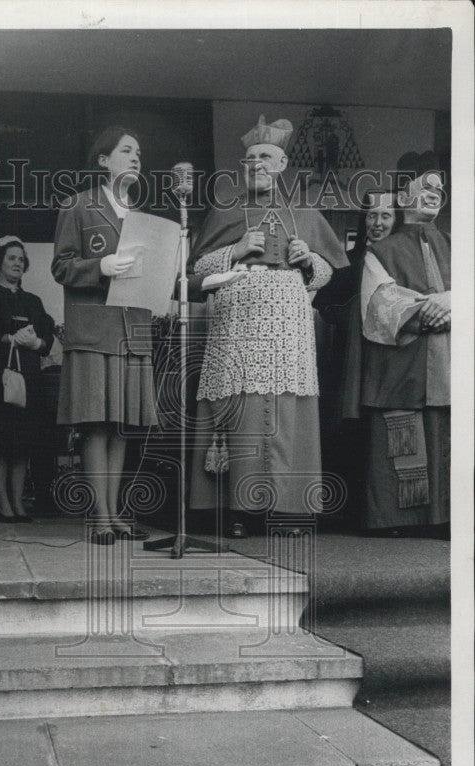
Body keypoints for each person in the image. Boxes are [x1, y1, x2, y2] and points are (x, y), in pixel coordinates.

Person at [188, 115, 348, 538]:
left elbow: (329, 274)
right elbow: (196, 271)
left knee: (286, 408)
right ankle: (239, 510)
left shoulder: (305, 213)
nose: (255, 164)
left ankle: (288, 511)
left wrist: (308, 259)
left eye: (265, 157)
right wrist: (236, 250)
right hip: (237, 316)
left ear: (280, 166)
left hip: (288, 320)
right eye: (249, 158)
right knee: (241, 406)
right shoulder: (225, 211)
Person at [51, 127, 157, 545]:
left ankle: (114, 515)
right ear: (103, 161)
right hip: (95, 328)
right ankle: (100, 516)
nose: (135, 157)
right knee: (96, 423)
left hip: (131, 327)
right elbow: (61, 267)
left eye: (138, 152)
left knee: (120, 425)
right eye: (126, 150)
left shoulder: (143, 218)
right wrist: (101, 266)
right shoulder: (78, 206)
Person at [358, 170, 450, 535]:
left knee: (445, 436)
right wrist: (431, 310)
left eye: (439, 189)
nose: (434, 192)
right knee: (401, 437)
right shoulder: (380, 251)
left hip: (446, 360)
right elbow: (378, 302)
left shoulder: (459, 244)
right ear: (404, 196)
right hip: (401, 361)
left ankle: (443, 519)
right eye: (424, 187)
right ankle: (397, 521)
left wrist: (454, 300)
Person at [313, 190, 398, 526]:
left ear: (397, 219)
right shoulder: (350, 259)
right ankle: (347, 511)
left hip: (390, 356)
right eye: (372, 216)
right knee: (348, 423)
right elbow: (324, 302)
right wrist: (349, 317)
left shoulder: (401, 257)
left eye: (385, 216)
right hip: (351, 357)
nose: (377, 223)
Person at [0, 239, 55, 521]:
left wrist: (36, 343)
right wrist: (7, 338)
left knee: (23, 442)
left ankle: (19, 502)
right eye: (11, 258)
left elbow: (47, 339)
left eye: (21, 259)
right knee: (0, 441)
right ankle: (3, 501)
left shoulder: (33, 301)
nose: (17, 263)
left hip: (28, 377)